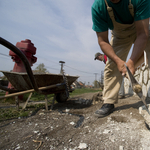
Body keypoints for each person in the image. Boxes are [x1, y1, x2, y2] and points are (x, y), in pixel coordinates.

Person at [91, 0, 150, 117]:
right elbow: (102, 41)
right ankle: (109, 101)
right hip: (119, 36)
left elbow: (143, 34)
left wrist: (131, 61)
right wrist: (118, 61)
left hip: (141, 30)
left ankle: (133, 65)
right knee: (111, 65)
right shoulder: (98, 7)